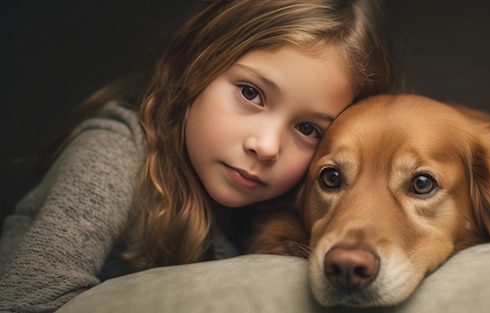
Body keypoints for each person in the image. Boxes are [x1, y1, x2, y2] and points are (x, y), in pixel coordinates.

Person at [0, 1, 393, 312]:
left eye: (309, 130)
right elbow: (29, 300)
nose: (267, 146)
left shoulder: (301, 205)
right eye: (251, 93)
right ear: (194, 68)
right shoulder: (114, 152)